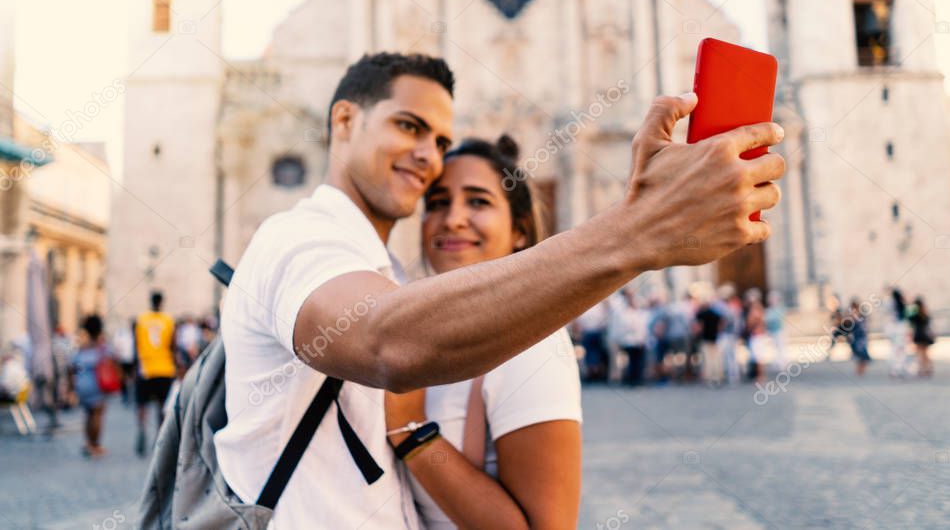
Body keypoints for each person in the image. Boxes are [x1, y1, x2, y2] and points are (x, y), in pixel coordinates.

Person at [212, 52, 785, 527]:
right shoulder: (300, 238)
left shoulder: (383, 269)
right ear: (343, 122)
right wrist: (638, 231)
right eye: (408, 126)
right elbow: (383, 339)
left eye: (440, 139)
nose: (428, 156)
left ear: (517, 231)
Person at [385, 135, 582, 528]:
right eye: (438, 203)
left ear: (519, 232)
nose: (454, 218)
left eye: (478, 201)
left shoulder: (530, 342)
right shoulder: (422, 335)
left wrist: (412, 433)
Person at [134, 291, 176, 456]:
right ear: (162, 302)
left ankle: (142, 428)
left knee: (141, 404)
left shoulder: (142, 320)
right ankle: (159, 436)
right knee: (161, 406)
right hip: (164, 367)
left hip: (145, 367)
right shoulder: (168, 320)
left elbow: (136, 344)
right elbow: (173, 344)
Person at [71, 315, 110, 458]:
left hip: (82, 383)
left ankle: (87, 442)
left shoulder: (82, 348)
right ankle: (95, 444)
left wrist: (71, 387)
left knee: (87, 414)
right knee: (97, 415)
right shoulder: (102, 348)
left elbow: (72, 366)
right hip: (97, 384)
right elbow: (111, 362)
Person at [613, 287, 651, 387]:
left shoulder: (639, 312)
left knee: (639, 362)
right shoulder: (623, 311)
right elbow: (624, 326)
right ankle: (632, 380)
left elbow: (643, 327)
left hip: (639, 340)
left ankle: (638, 379)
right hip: (629, 341)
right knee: (632, 362)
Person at [885, 287, 910, 378]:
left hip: (894, 330)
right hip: (900, 330)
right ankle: (899, 368)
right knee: (900, 350)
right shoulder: (902, 305)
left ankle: (895, 369)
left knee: (895, 350)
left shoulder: (891, 303)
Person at [907, 296, 935, 377]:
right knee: (925, 354)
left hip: (918, 334)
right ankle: (928, 368)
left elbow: (910, 321)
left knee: (919, 354)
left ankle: (921, 369)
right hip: (925, 334)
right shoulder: (925, 313)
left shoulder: (915, 314)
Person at [111, 321, 136, 405]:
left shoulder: (133, 334)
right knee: (124, 378)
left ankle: (130, 394)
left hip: (130, 359)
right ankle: (126, 395)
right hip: (125, 359)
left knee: (129, 378)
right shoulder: (124, 334)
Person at [764, 290, 787, 371]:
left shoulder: (779, 308)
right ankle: (777, 362)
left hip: (779, 331)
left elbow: (774, 318)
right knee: (775, 347)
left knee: (780, 347)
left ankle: (782, 363)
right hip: (772, 331)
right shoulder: (769, 309)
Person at [847, 298, 871, 376]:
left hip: (861, 338)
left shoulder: (862, 316)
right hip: (857, 338)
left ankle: (860, 371)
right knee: (860, 356)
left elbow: (865, 326)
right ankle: (859, 371)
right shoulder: (851, 317)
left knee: (863, 356)